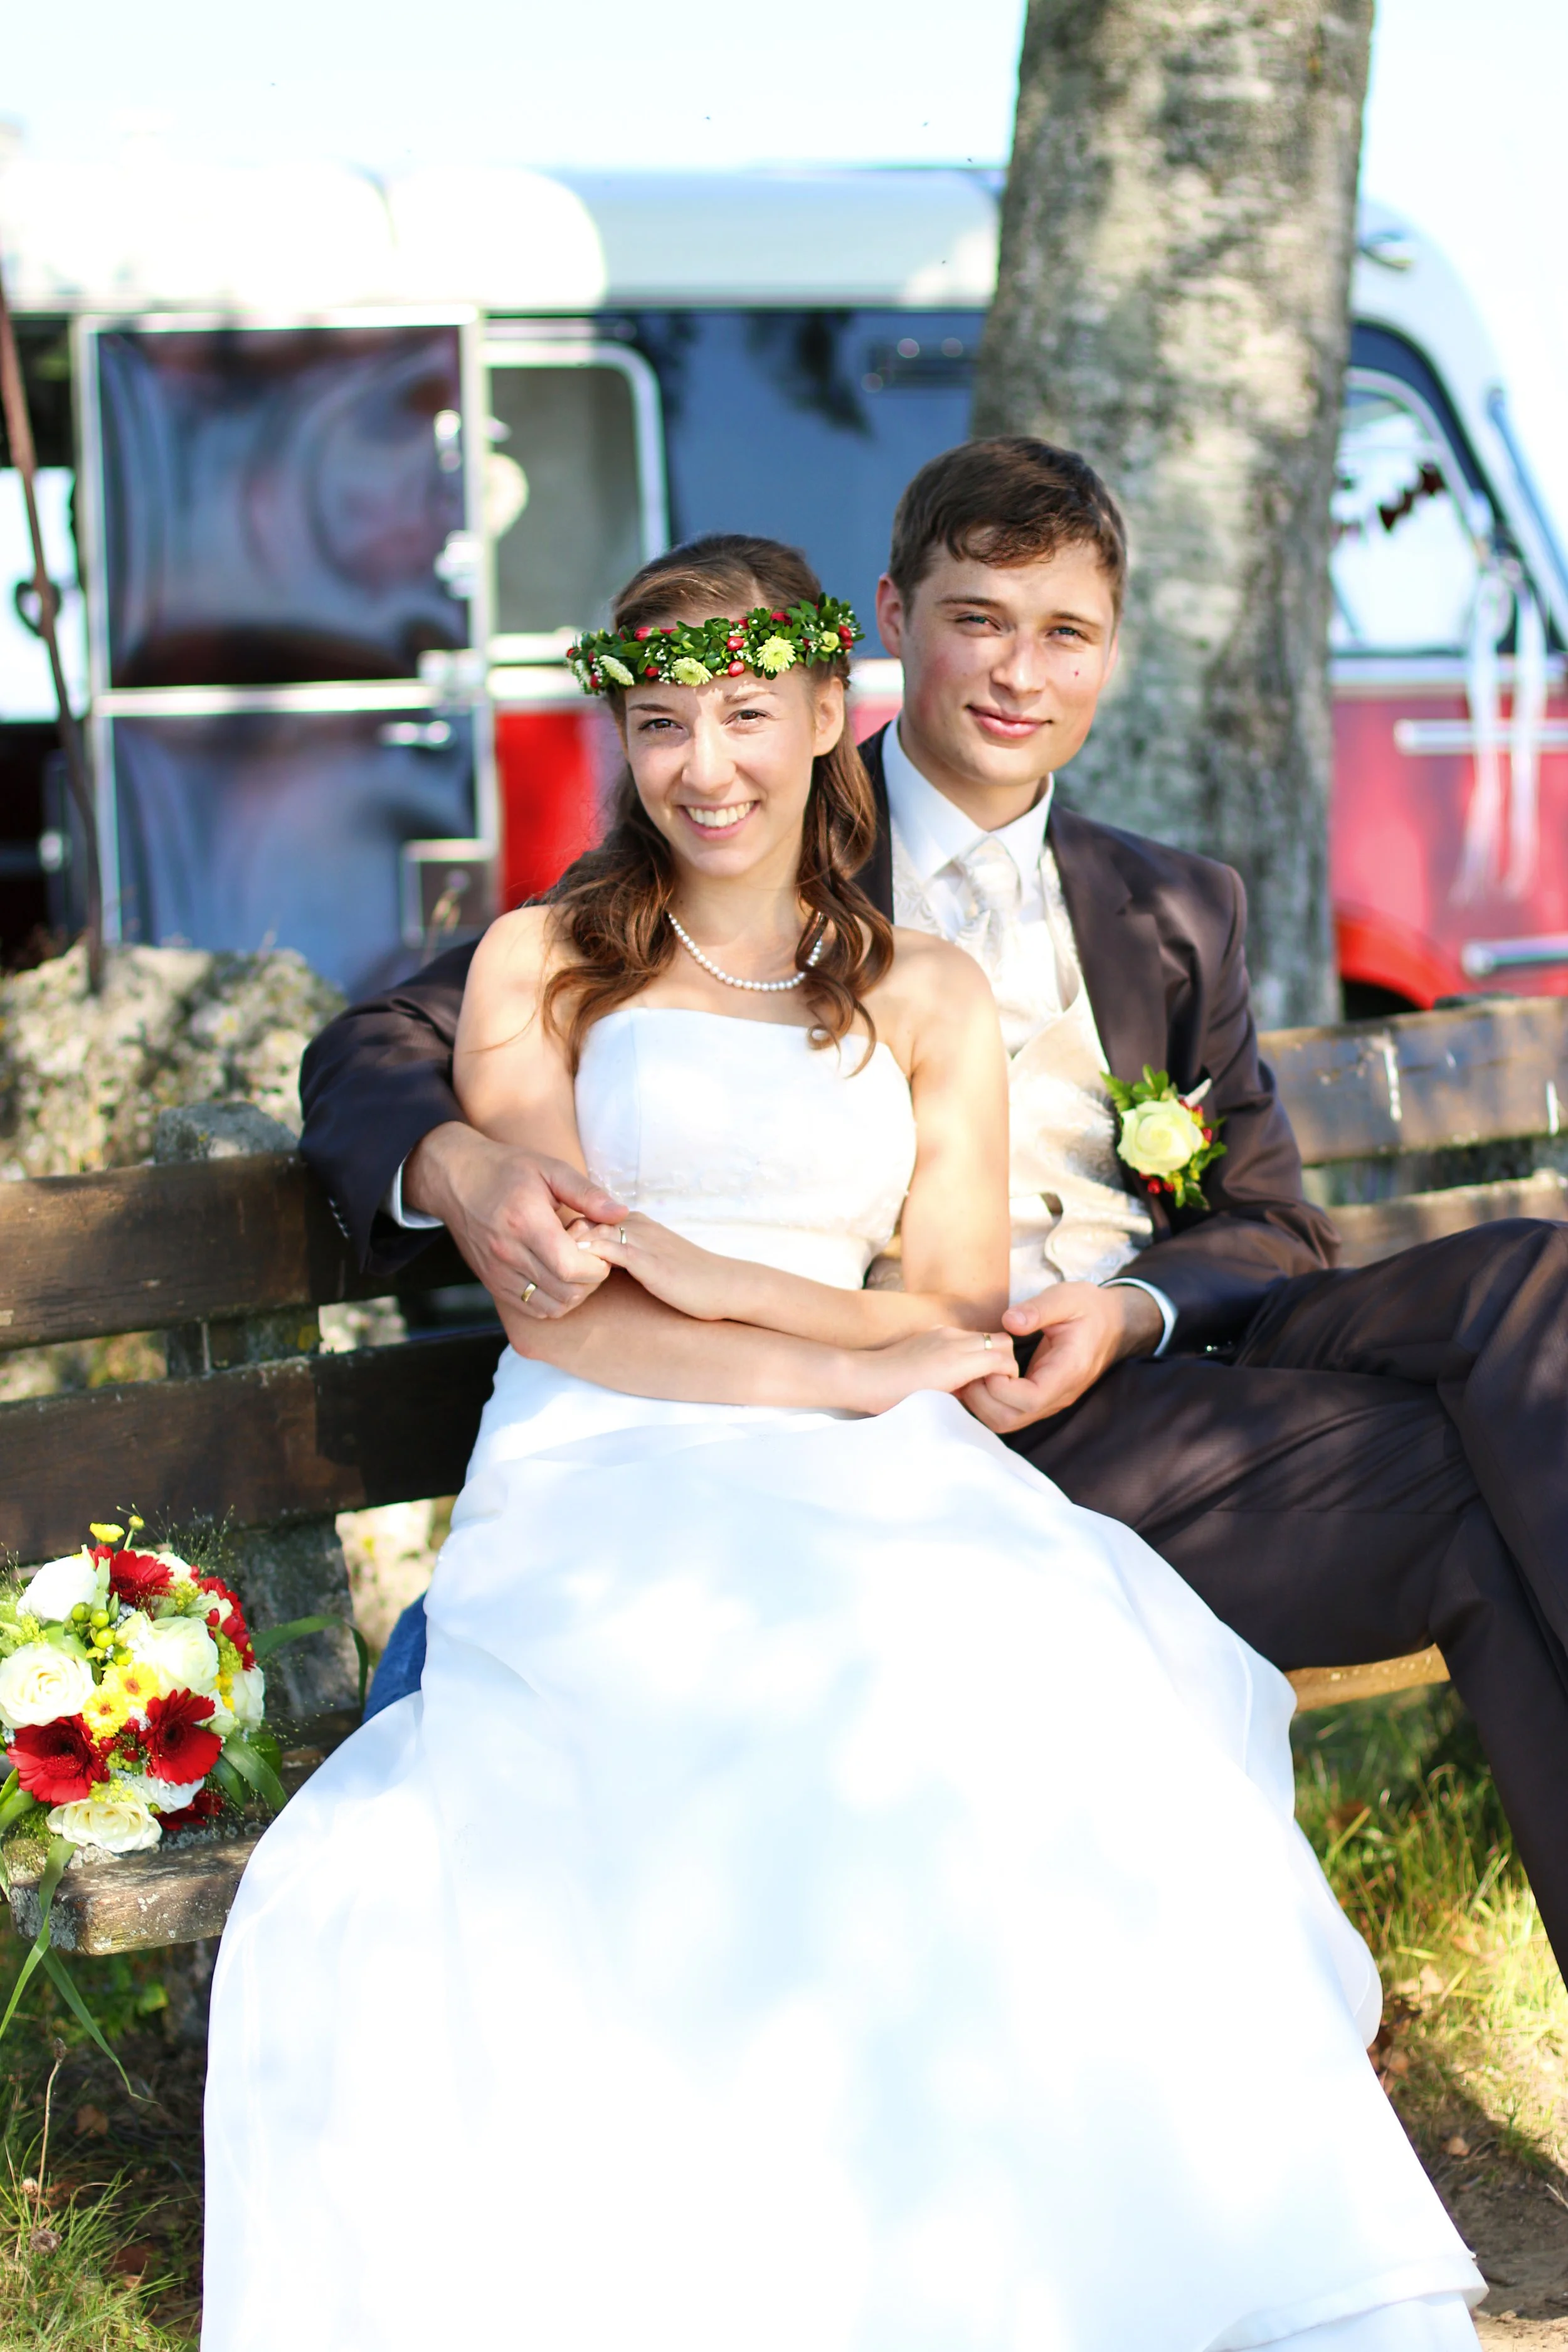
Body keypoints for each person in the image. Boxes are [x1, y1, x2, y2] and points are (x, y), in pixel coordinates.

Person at [204, 536, 1482, 2349]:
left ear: (826, 710)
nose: (704, 763)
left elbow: (949, 1314)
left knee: (1041, 1679)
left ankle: (1051, 2253)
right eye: (659, 722)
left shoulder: (925, 996)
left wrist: (745, 1288)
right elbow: (567, 1310)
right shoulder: (538, 965)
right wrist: (833, 1350)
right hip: (603, 1458)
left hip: (872, 1448)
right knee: (779, 1692)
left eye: (745, 711)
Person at [306, 439, 1568, 1976]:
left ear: (1110, 651)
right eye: (978, 620)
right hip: (943, 1407)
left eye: (1064, 633)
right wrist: (459, 1165)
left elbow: (1265, 1223)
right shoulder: (751, 814)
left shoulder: (1173, 907)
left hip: (1148, 1349)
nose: (1017, 674)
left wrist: (1128, 1307)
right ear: (892, 625)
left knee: (1540, 1297)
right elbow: (387, 1043)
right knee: (1474, 1500)